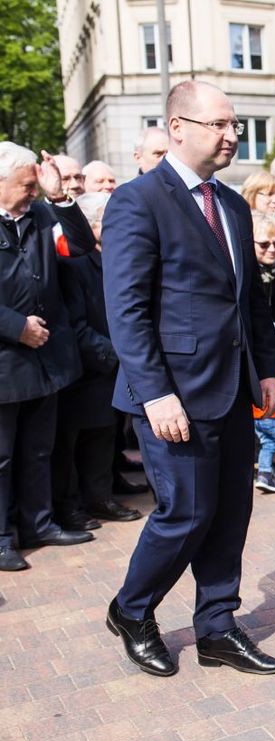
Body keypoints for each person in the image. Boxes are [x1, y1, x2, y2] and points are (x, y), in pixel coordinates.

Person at [102, 81, 275, 677]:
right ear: (177, 126)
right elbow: (126, 308)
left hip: (233, 386)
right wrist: (156, 392)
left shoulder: (231, 204)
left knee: (231, 510)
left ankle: (217, 627)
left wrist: (267, 369)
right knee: (185, 512)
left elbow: (249, 301)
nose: (233, 135)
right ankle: (132, 610)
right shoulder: (138, 200)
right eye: (220, 125)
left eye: (235, 125)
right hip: (172, 394)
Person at [0, 143, 94, 572]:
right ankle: (2, 538)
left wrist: (59, 198)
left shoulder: (41, 213)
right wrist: (15, 326)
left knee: (40, 448)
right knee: (1, 457)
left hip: (47, 358)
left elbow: (78, 247)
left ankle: (39, 524)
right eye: (25, 185)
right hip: (7, 360)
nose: (31, 191)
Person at [52, 190, 142, 533]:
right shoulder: (75, 267)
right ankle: (69, 506)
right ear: (91, 226)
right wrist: (116, 355)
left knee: (105, 437)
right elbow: (74, 324)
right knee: (73, 444)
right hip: (87, 369)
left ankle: (100, 496)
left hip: (115, 369)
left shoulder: (126, 259)